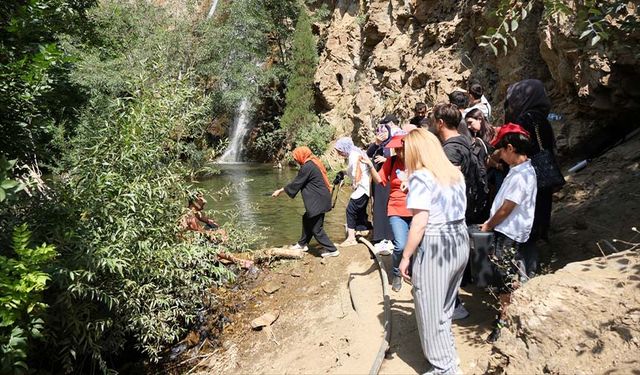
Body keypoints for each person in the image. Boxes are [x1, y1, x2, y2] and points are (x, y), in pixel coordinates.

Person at [399, 128, 468, 375]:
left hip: (436, 244)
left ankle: (444, 368)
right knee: (446, 306)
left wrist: (406, 256)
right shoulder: (454, 174)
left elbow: (419, 223)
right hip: (459, 239)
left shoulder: (421, 177)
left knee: (429, 307)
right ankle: (449, 356)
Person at [480, 124, 537, 342]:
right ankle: (505, 314)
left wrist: (489, 225)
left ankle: (504, 321)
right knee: (505, 273)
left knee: (505, 277)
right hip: (508, 230)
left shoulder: (521, 175)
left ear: (511, 148)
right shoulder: (521, 169)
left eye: (503, 150)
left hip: (508, 232)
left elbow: (507, 208)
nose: (500, 155)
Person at [504, 78, 559, 275]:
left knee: (526, 220)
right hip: (545, 174)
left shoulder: (525, 119)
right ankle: (539, 261)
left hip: (530, 175)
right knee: (540, 214)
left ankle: (526, 270)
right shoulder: (542, 117)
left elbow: (520, 148)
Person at [362, 134, 412, 292]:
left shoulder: (417, 163)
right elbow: (380, 180)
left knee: (417, 246)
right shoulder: (391, 162)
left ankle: (412, 272)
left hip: (415, 208)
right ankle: (397, 273)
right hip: (396, 208)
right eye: (396, 149)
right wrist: (370, 166)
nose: (398, 152)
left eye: (401, 149)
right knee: (400, 245)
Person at [272, 147, 339, 257]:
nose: (295, 160)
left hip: (318, 201)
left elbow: (296, 183)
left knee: (316, 229)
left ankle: (332, 250)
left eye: (296, 157)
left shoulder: (307, 167)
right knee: (307, 218)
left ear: (301, 155)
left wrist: (280, 190)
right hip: (321, 199)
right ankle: (302, 244)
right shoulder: (312, 163)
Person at [366, 117, 397, 252]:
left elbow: (400, 158)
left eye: (384, 131)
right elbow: (367, 155)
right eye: (380, 131)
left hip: (390, 179)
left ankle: (390, 237)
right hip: (378, 180)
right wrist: (376, 143)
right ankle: (379, 237)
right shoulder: (378, 145)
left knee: (389, 207)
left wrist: (386, 159)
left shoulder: (394, 144)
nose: (382, 134)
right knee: (378, 207)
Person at [334, 137, 372, 246]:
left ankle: (351, 238)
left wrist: (354, 185)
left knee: (350, 210)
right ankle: (363, 229)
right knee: (360, 211)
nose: (340, 154)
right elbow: (351, 171)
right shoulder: (354, 153)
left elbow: (357, 173)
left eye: (340, 151)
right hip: (365, 188)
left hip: (362, 188)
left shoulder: (354, 156)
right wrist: (343, 173)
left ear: (345, 148)